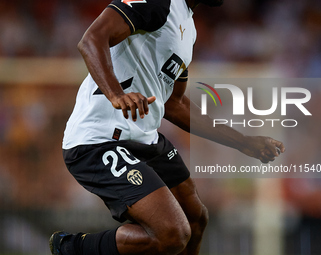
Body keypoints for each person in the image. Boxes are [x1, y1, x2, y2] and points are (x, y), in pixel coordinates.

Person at [50, 0, 285, 254]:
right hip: (100, 139)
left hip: (144, 139)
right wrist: (116, 94)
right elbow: (91, 39)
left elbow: (175, 103)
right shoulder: (158, 2)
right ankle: (73, 248)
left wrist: (243, 142)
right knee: (173, 233)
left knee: (195, 218)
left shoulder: (188, 28)